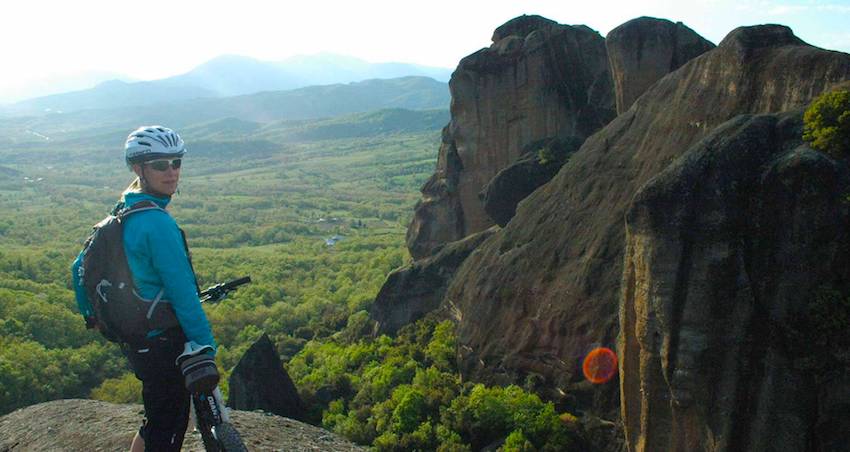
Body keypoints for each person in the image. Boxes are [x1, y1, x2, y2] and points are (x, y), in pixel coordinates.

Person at [71, 125, 216, 452]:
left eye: (176, 162)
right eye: (160, 164)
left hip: (138, 339)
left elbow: (78, 267)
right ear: (139, 168)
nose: (172, 172)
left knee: (158, 420)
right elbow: (183, 295)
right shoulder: (157, 223)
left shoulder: (122, 210)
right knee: (168, 428)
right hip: (165, 341)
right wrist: (206, 347)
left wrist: (92, 317)